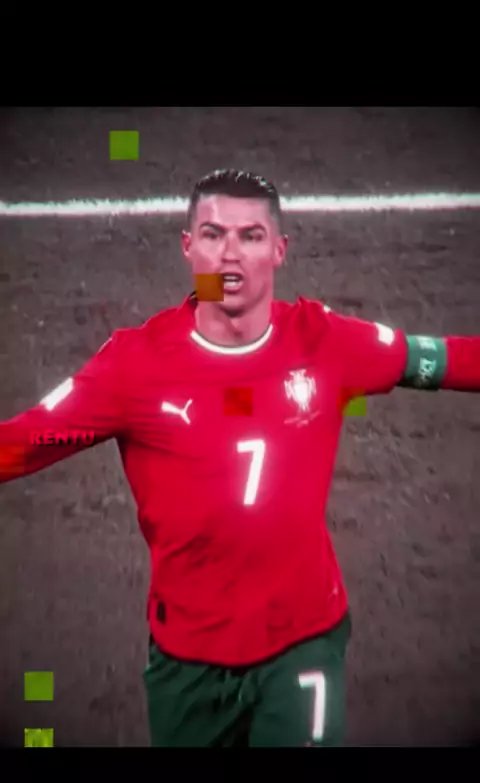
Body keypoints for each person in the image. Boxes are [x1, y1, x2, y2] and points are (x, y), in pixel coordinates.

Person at [1, 169, 479, 747]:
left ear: (279, 250)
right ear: (188, 247)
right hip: (187, 660)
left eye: (250, 236)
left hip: (303, 642)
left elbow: (442, 360)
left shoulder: (324, 341)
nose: (230, 254)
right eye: (213, 234)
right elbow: (23, 444)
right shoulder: (135, 365)